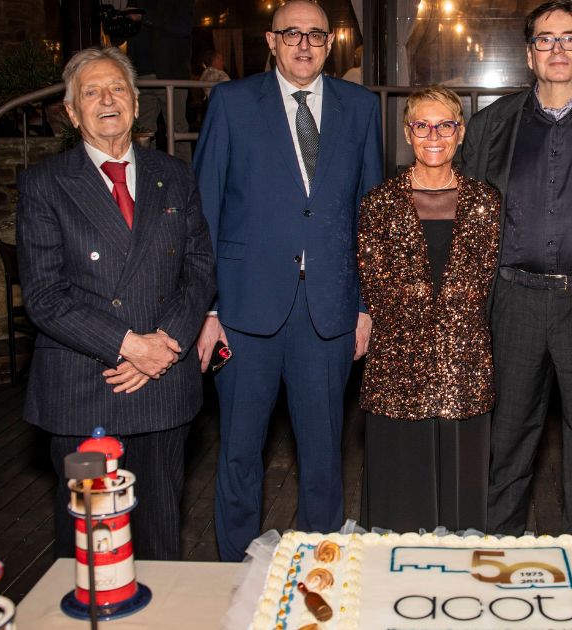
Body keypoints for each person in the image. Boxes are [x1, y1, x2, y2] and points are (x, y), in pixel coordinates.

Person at [193, 0, 383, 561]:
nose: (304, 44)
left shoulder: (360, 107)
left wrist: (365, 305)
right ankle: (234, 571)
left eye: (316, 35)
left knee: (323, 455)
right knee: (238, 453)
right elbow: (205, 210)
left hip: (329, 310)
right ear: (271, 42)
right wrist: (207, 309)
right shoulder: (231, 104)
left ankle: (321, 571)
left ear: (330, 44)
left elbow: (371, 217)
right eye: (291, 34)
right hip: (243, 309)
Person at [15, 46, 215, 560]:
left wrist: (163, 346)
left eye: (117, 89)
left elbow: (198, 269)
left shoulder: (175, 174)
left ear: (136, 102)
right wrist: (129, 346)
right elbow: (44, 296)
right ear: (71, 112)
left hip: (163, 385)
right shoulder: (45, 184)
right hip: (85, 389)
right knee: (89, 547)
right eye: (92, 92)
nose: (107, 100)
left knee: (160, 534)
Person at [461, 0, 572, 535]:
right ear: (529, 54)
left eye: (569, 39)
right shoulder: (493, 124)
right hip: (513, 301)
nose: (557, 49)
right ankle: (497, 550)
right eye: (545, 39)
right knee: (508, 436)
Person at [357, 87, 500, 533]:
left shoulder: (486, 202)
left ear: (460, 132)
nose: (433, 136)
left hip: (463, 365)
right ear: (407, 133)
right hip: (398, 367)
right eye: (422, 125)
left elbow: (488, 286)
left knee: (462, 496)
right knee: (401, 493)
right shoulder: (380, 202)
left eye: (444, 126)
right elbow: (374, 286)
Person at [127, 0, 194, 162]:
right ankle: (147, 172)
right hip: (141, 74)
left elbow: (183, 26)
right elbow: (130, 32)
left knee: (177, 130)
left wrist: (144, 17)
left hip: (171, 73)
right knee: (142, 132)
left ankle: (183, 174)